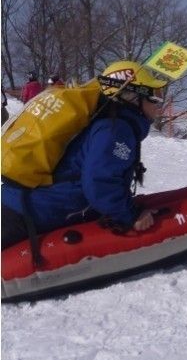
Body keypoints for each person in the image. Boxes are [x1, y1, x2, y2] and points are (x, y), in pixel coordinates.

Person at [1, 60, 167, 250]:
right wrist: (131, 215)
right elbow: (99, 183)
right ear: (133, 97)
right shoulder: (116, 130)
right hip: (33, 212)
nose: (159, 105)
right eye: (154, 97)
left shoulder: (108, 121)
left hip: (18, 202)